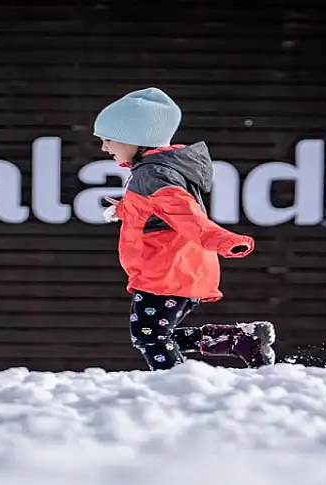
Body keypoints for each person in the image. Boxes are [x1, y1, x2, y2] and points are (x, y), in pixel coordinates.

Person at [94, 86, 277, 371]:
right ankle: (240, 340)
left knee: (150, 336)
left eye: (108, 140)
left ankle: (172, 381)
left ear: (134, 139)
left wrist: (223, 240)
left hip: (167, 270)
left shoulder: (153, 175)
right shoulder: (154, 170)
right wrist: (122, 210)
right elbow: (157, 211)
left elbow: (186, 215)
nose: (104, 148)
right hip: (175, 267)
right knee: (152, 335)